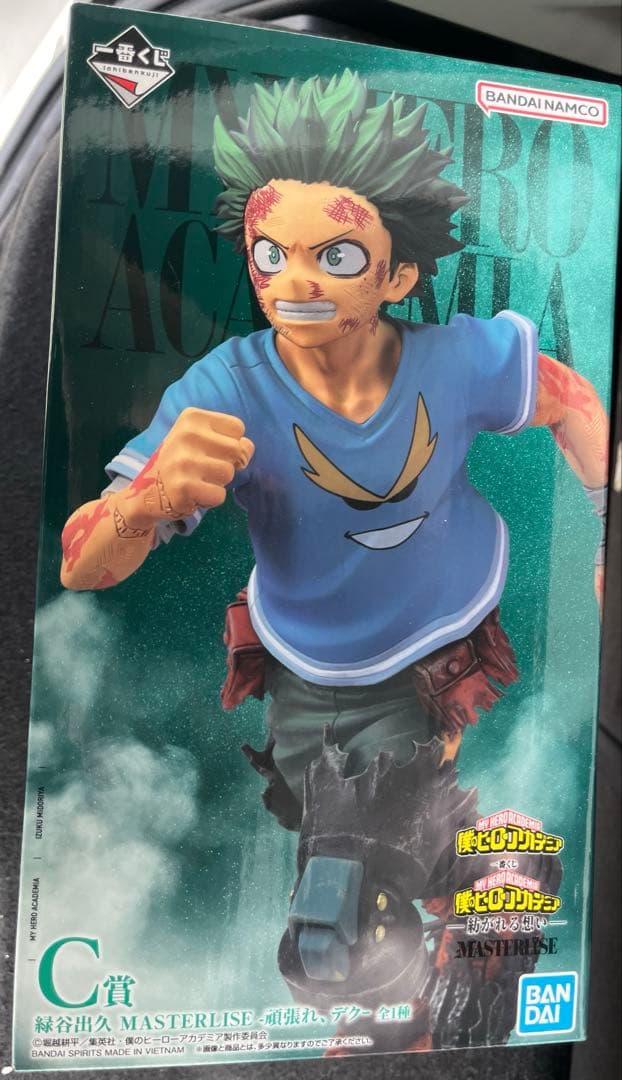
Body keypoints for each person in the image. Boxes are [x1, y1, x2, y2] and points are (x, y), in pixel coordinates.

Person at [60, 72, 608, 1049]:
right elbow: (83, 567)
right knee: (338, 919)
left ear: (397, 276)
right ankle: (502, 871)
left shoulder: (455, 359)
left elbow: (568, 398)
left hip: (446, 638)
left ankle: (476, 915)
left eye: (337, 256)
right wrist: (140, 503)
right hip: (309, 667)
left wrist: (609, 519)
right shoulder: (228, 388)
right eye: (271, 256)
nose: (296, 284)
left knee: (341, 921)